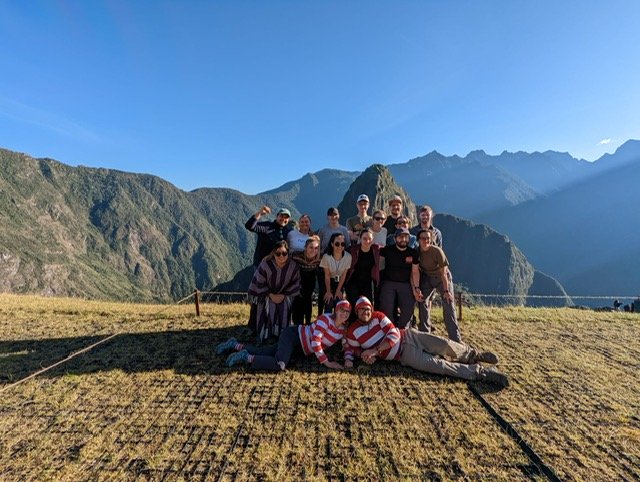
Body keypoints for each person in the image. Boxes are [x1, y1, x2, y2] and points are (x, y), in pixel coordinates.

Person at [343, 297, 508, 388]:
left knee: (443, 344)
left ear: (372, 309)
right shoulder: (353, 331)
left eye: (368, 309)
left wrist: (375, 351)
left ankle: (473, 355)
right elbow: (351, 349)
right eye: (362, 309)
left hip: (408, 336)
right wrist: (356, 358)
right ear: (356, 312)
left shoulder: (378, 316)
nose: (366, 312)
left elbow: (393, 334)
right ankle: (480, 373)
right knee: (438, 366)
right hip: (403, 355)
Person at [217, 300, 352, 371]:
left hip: (299, 348)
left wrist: (348, 360)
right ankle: (246, 357)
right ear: (336, 310)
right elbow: (315, 342)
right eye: (342, 310)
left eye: (347, 312)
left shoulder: (342, 330)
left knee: (265, 352)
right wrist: (327, 363)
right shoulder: (326, 319)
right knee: (279, 364)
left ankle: (234, 344)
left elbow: (347, 346)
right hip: (293, 337)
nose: (344, 314)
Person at [248, 241, 301, 343]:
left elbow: (296, 283)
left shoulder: (293, 266)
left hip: (285, 295)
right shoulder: (265, 264)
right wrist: (271, 295)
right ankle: (267, 334)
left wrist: (283, 295)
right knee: (269, 306)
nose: (281, 256)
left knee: (284, 306)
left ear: (288, 253)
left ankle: (283, 334)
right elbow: (259, 282)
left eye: (284, 253)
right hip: (266, 295)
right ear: (273, 253)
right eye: (278, 253)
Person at [415, 229, 462, 341]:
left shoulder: (437, 251)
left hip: (441, 278)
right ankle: (425, 334)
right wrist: (417, 288)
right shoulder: (416, 252)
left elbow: (444, 273)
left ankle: (455, 338)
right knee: (422, 301)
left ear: (431, 239)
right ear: (418, 240)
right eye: (423, 238)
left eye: (428, 238)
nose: (425, 240)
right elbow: (415, 271)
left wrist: (446, 291)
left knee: (448, 302)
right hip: (427, 277)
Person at [379, 228, 421, 328]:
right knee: (387, 309)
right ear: (395, 239)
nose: (403, 239)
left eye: (406, 237)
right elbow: (379, 266)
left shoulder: (413, 253)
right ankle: (390, 331)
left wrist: (416, 287)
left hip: (405, 283)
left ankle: (403, 331)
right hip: (388, 282)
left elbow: (415, 271)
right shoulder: (387, 251)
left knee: (408, 309)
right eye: (401, 237)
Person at [344, 228, 382, 312]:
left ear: (373, 240)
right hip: (353, 281)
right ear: (360, 239)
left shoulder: (376, 250)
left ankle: (367, 324)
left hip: (368, 282)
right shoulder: (352, 250)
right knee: (353, 304)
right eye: (364, 239)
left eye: (369, 239)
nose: (367, 241)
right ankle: (352, 323)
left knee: (367, 305)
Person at [318, 233, 352, 315]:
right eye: (337, 244)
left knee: (338, 302)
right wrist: (329, 291)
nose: (340, 246)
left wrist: (338, 290)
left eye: (342, 244)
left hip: (339, 282)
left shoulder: (348, 257)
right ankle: (324, 321)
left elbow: (344, 275)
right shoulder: (326, 257)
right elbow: (327, 275)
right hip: (327, 281)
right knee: (328, 302)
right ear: (332, 244)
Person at [291, 236, 321, 325]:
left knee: (308, 301)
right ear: (305, 248)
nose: (313, 250)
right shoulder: (296, 256)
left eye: (316, 248)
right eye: (311, 247)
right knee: (297, 301)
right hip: (298, 280)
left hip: (310, 282)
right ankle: (297, 324)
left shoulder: (319, 258)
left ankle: (308, 323)